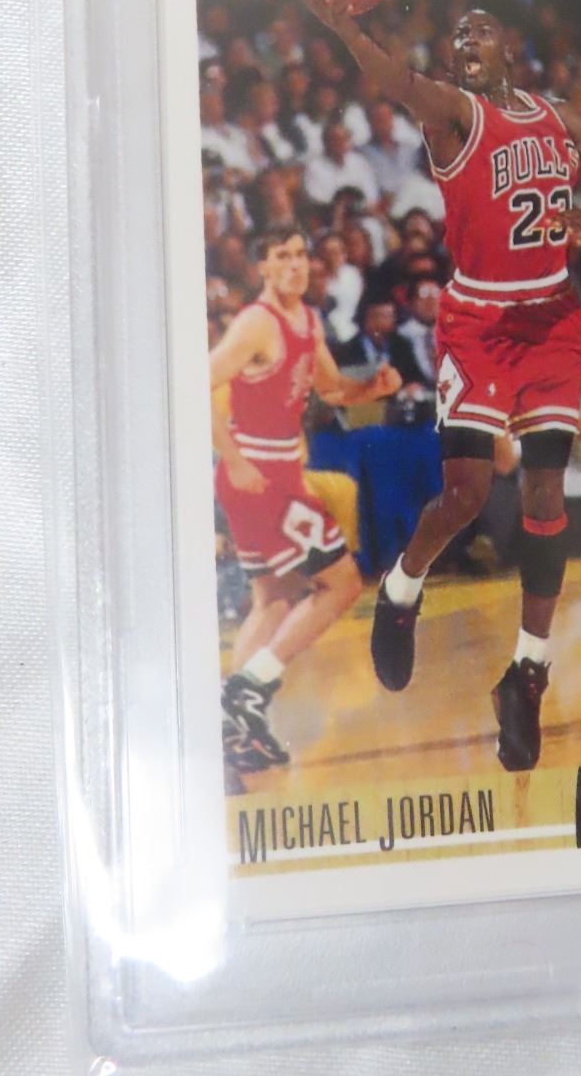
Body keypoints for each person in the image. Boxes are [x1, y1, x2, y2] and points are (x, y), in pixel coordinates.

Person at [303, 0, 581, 771]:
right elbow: (394, 80)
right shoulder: (452, 114)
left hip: (551, 319)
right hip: (479, 323)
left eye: (479, 32)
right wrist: (347, 27)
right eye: (457, 36)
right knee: (467, 495)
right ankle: (402, 586)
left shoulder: (560, 119)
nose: (464, 43)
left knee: (547, 497)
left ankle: (527, 673)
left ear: (508, 46)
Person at [210, 228, 401, 773]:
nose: (295, 264)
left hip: (272, 473)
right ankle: (250, 684)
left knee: (272, 597)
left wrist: (372, 390)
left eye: (300, 255)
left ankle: (235, 729)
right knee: (343, 583)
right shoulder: (256, 323)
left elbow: (331, 389)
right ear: (263, 268)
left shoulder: (308, 320)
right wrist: (236, 460)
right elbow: (195, 383)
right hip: (260, 476)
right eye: (282, 256)